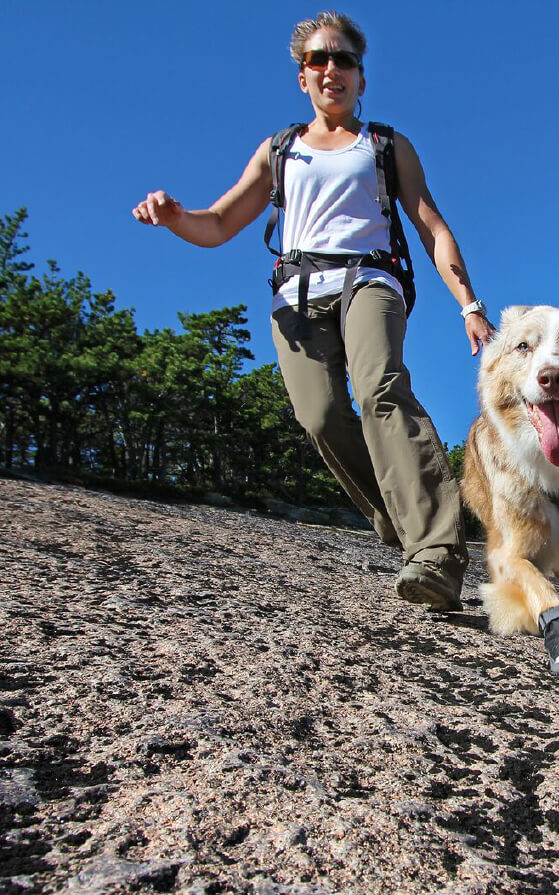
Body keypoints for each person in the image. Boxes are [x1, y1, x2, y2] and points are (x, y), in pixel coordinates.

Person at [132, 11, 494, 612]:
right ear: (302, 77)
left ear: (361, 76)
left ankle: (436, 554)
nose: (332, 69)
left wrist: (469, 305)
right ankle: (401, 516)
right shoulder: (279, 150)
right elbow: (219, 224)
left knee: (379, 386)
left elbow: (431, 226)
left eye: (344, 59)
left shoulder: (385, 145)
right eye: (319, 60)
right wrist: (174, 217)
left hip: (369, 278)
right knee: (320, 416)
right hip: (296, 293)